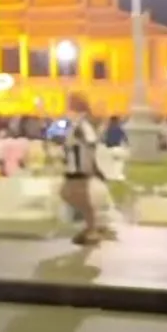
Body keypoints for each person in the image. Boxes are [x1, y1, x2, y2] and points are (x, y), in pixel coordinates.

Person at [59, 94, 106, 245]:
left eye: (69, 108)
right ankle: (91, 227)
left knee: (79, 198)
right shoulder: (74, 125)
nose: (67, 111)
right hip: (74, 166)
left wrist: (91, 165)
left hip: (81, 167)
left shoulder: (82, 125)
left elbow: (91, 143)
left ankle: (92, 229)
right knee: (70, 194)